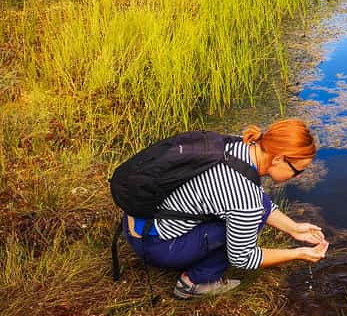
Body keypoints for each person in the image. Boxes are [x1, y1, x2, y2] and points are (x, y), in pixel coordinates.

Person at [123, 118, 330, 299]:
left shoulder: (238, 144)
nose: (298, 177)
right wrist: (297, 253)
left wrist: (294, 228)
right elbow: (243, 258)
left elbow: (253, 198)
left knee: (252, 213)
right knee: (249, 224)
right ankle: (194, 284)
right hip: (155, 246)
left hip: (137, 220)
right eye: (297, 171)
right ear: (278, 159)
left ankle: (190, 259)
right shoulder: (245, 199)